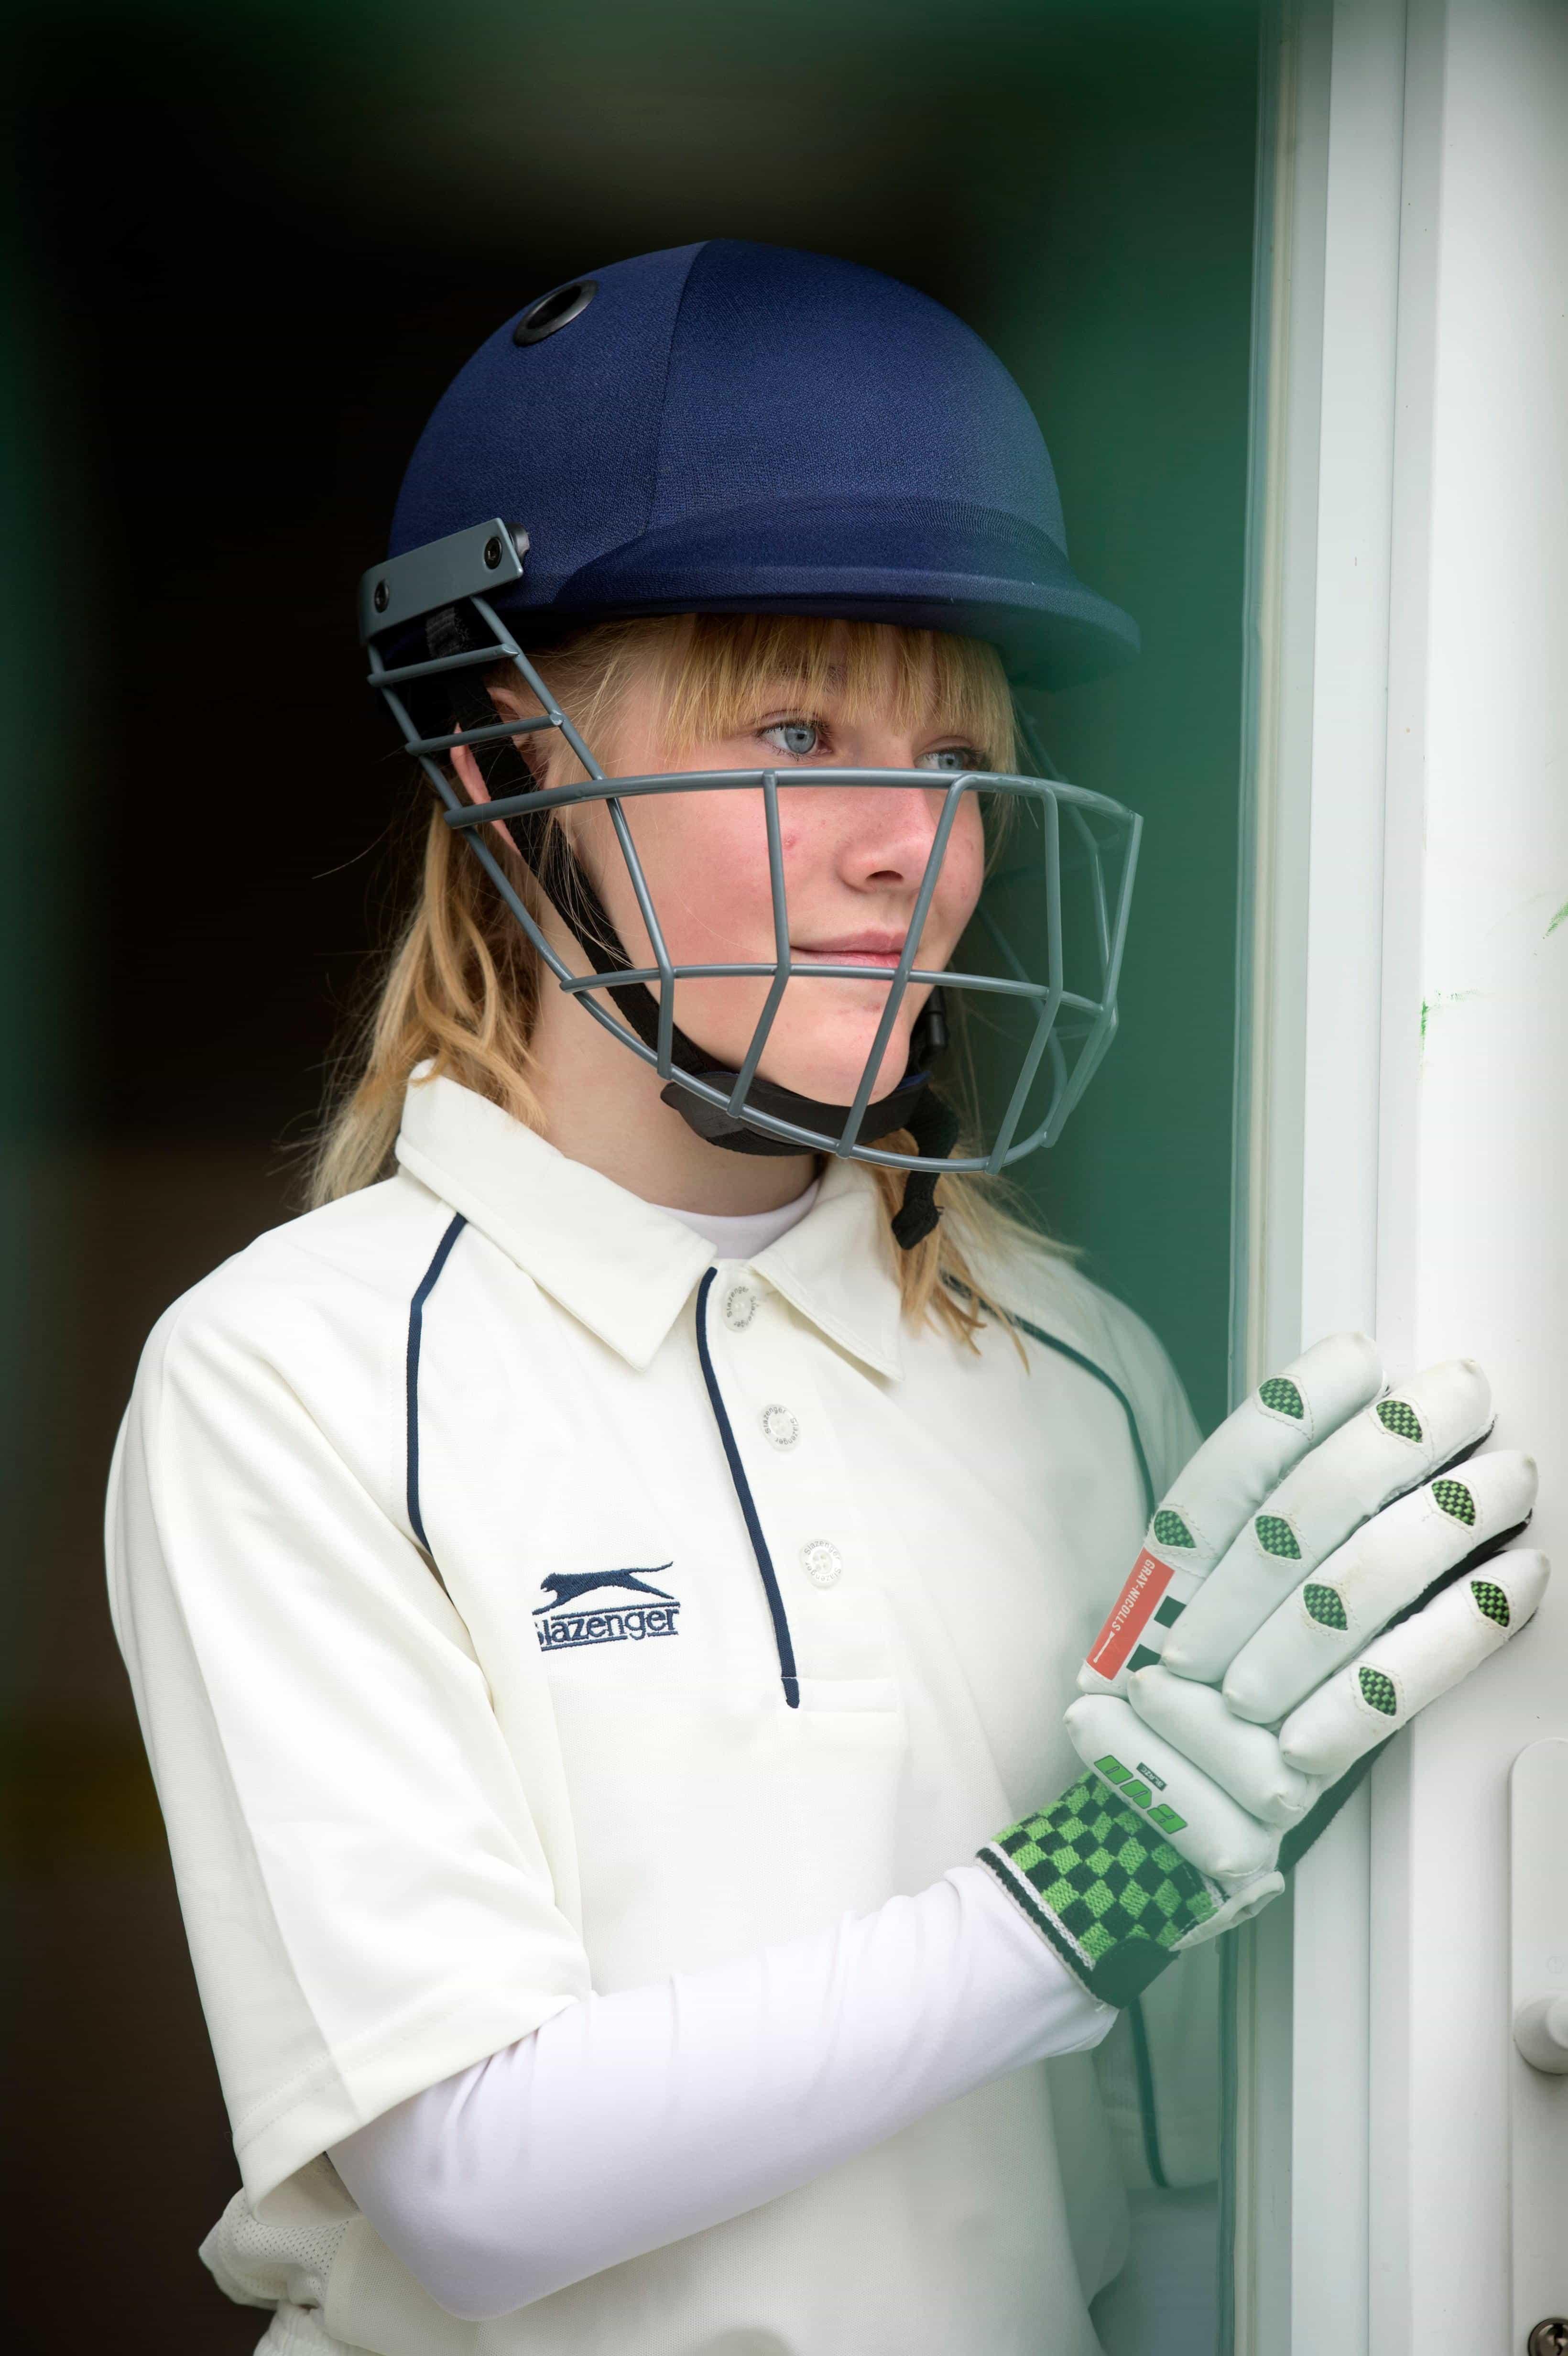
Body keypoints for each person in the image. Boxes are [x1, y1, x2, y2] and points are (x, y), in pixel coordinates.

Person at [106, 241, 1546, 2356]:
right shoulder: (296, 1372)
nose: (916, 849)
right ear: (505, 773)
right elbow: (480, 2175)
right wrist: (1118, 1873)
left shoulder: (1081, 1369)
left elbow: (1148, 2180)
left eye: (956, 761)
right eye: (798, 730)